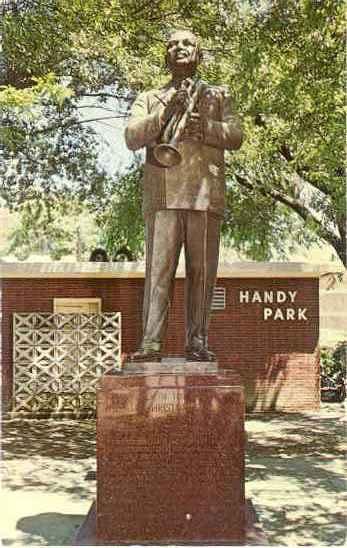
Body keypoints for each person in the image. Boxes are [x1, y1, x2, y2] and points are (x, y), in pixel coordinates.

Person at [125, 29, 243, 362]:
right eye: (173, 44)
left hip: (205, 197)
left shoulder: (218, 96)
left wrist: (204, 128)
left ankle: (198, 342)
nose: (180, 48)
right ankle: (150, 344)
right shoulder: (149, 97)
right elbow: (132, 137)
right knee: (157, 273)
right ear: (166, 55)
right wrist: (163, 116)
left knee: (202, 276)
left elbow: (236, 135)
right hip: (163, 195)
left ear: (199, 55)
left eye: (188, 43)